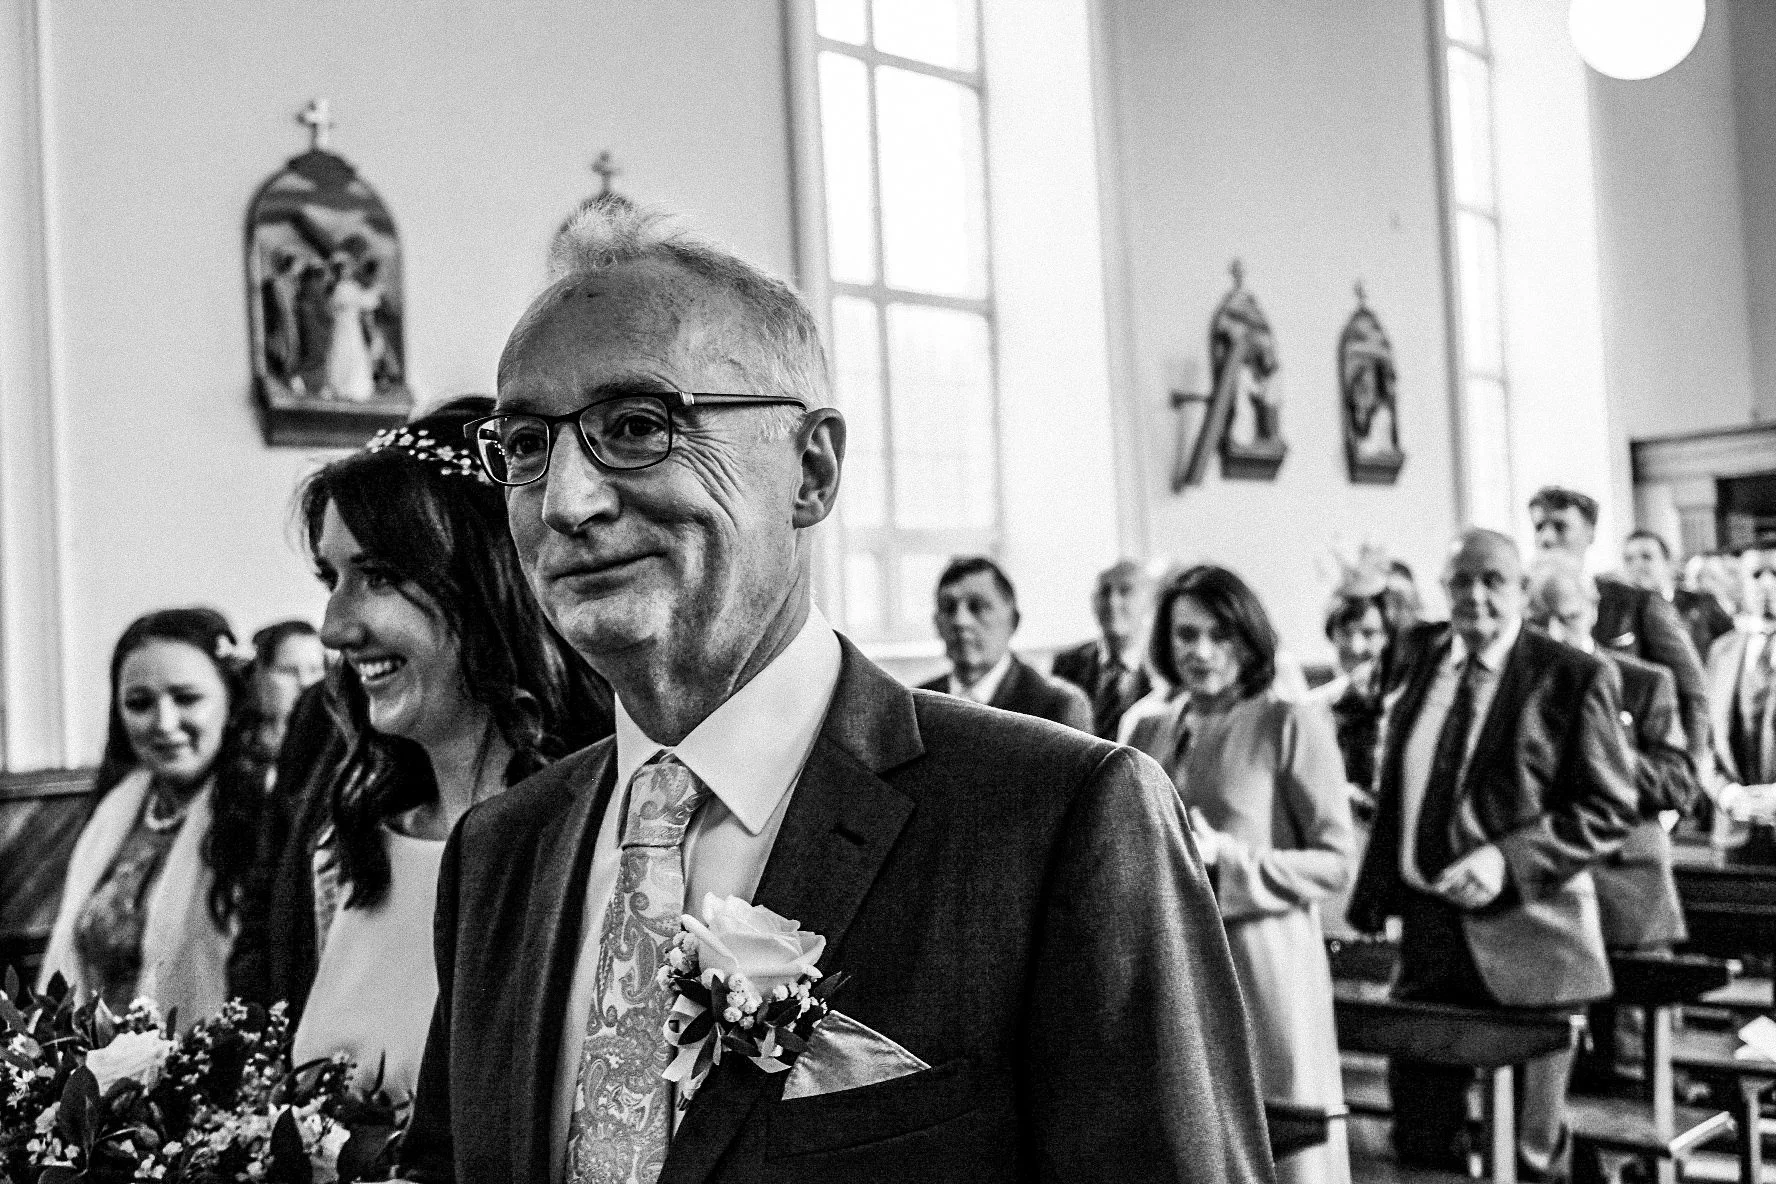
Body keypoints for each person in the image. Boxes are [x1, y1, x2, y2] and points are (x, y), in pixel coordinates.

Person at [399, 196, 1271, 1184]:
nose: (567, 499)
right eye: (523, 444)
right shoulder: (502, 851)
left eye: (636, 425)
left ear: (811, 469)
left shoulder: (1052, 822)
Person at [273, 399, 609, 1099]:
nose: (333, 629)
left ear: (486, 587)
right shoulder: (344, 844)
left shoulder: (599, 842)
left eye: (379, 577)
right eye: (331, 580)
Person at [1348, 529, 1637, 1177]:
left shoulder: (1572, 676)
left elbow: (1610, 807)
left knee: (1529, 1157)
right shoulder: (1422, 657)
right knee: (1420, 1140)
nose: (1475, 595)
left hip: (1534, 940)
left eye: (1493, 580)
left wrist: (1506, 859)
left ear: (1522, 590)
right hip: (1429, 931)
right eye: (1460, 581)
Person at [1124, 565, 1354, 1184]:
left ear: (1248, 638)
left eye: (1219, 635)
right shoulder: (1148, 725)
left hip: (1265, 957)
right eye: (1185, 635)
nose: (1200, 652)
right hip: (1171, 952)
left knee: (1282, 1140)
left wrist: (1234, 864)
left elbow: (1336, 859)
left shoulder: (1289, 719)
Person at [39, 609, 268, 1023]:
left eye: (186, 698)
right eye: (140, 703)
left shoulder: (264, 817)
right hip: (99, 1072)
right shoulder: (115, 812)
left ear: (231, 702)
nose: (163, 723)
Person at [1527, 557, 1699, 1086]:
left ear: (1594, 612)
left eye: (1570, 618)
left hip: (1629, 888)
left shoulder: (1644, 682)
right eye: (1541, 621)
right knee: (1560, 1065)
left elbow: (1677, 784)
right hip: (1550, 890)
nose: (1556, 634)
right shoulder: (1520, 689)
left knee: (1633, 1061)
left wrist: (1602, 751)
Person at [1530, 486, 1711, 782]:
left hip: (1632, 774)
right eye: (1539, 527)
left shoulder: (1635, 603)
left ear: (1589, 533)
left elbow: (1694, 693)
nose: (1546, 538)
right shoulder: (1524, 607)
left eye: (1560, 526)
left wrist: (1686, 777)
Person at [920, 555, 1094, 732]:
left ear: (1013, 621)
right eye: (948, 608)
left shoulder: (1057, 705)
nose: (960, 621)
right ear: (936, 622)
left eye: (977, 606)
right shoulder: (916, 705)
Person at [1703, 548, 1776, 821]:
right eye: (1756, 575)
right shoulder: (1721, 650)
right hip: (1734, 822)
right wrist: (1727, 794)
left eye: (1775, 574)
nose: (1767, 584)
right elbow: (1703, 738)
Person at [1049, 559, 1155, 739]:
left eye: (1125, 591)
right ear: (1093, 602)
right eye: (1105, 592)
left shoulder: (1161, 665)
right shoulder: (1067, 663)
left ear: (1148, 603)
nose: (1112, 602)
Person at [1622, 529, 1734, 663]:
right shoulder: (1623, 616)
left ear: (1668, 562)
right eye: (1629, 559)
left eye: (1646, 557)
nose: (1637, 565)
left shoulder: (1702, 604)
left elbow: (1731, 648)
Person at [246, 619, 327, 763]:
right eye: (288, 671)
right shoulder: (228, 751)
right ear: (261, 675)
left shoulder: (346, 752)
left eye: (315, 670)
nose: (305, 682)